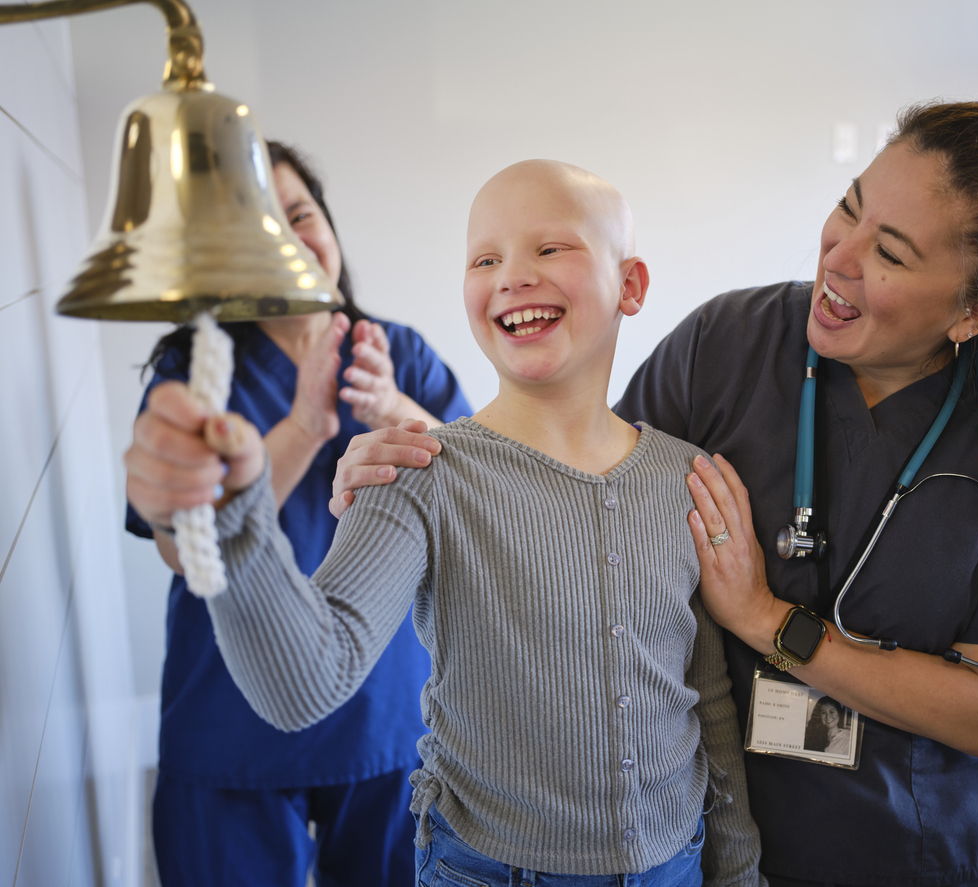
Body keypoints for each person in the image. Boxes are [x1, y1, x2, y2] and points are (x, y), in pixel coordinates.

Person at [329, 102, 978, 886]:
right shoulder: (726, 347)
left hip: (937, 851)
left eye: (889, 252)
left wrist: (767, 621)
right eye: (847, 208)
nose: (837, 260)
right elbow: (578, 494)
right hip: (751, 842)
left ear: (976, 311)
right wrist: (412, 454)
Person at [124, 159, 765, 886]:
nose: (512, 275)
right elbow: (307, 676)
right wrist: (233, 510)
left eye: (549, 248)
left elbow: (705, 696)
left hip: (672, 864)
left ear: (631, 284)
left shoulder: (683, 477)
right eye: (484, 258)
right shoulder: (417, 473)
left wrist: (736, 865)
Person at [124, 141, 471, 887]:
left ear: (331, 226)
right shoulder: (197, 368)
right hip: (230, 718)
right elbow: (182, 551)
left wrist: (390, 408)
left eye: (301, 214)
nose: (289, 238)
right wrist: (306, 424)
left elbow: (487, 496)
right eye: (259, 228)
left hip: (382, 717)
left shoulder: (399, 354)